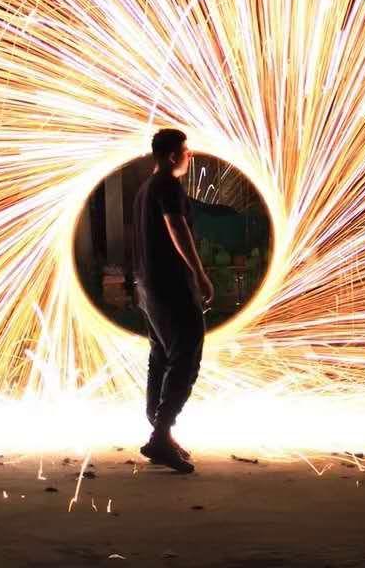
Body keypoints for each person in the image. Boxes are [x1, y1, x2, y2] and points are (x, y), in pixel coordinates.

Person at [130, 127, 240, 473]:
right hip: (171, 286)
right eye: (186, 150)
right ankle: (161, 434)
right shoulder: (167, 185)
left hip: (148, 287)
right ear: (172, 155)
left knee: (161, 357)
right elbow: (176, 228)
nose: (190, 156)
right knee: (186, 356)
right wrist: (200, 273)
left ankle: (159, 430)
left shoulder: (146, 188)